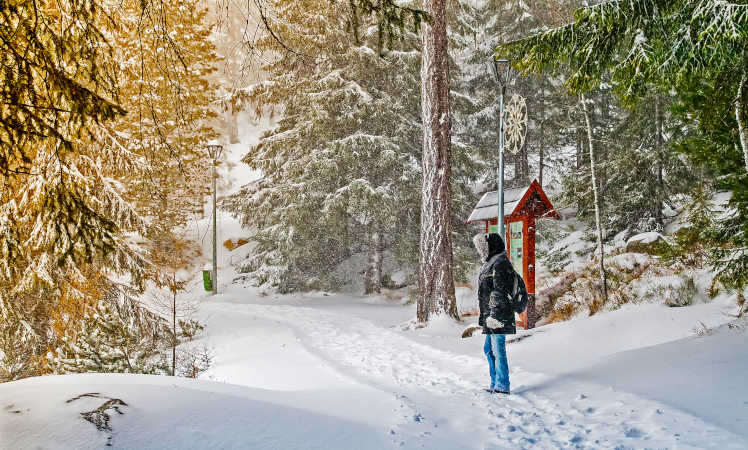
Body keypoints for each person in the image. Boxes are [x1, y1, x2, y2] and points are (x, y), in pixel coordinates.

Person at [474, 232, 516, 394]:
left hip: (498, 316)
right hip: (491, 315)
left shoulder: (501, 264)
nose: (480, 251)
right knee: (489, 349)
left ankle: (502, 384)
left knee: (497, 349)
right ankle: (495, 382)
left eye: (482, 247)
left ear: (491, 247)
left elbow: (500, 292)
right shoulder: (491, 264)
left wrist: (495, 317)